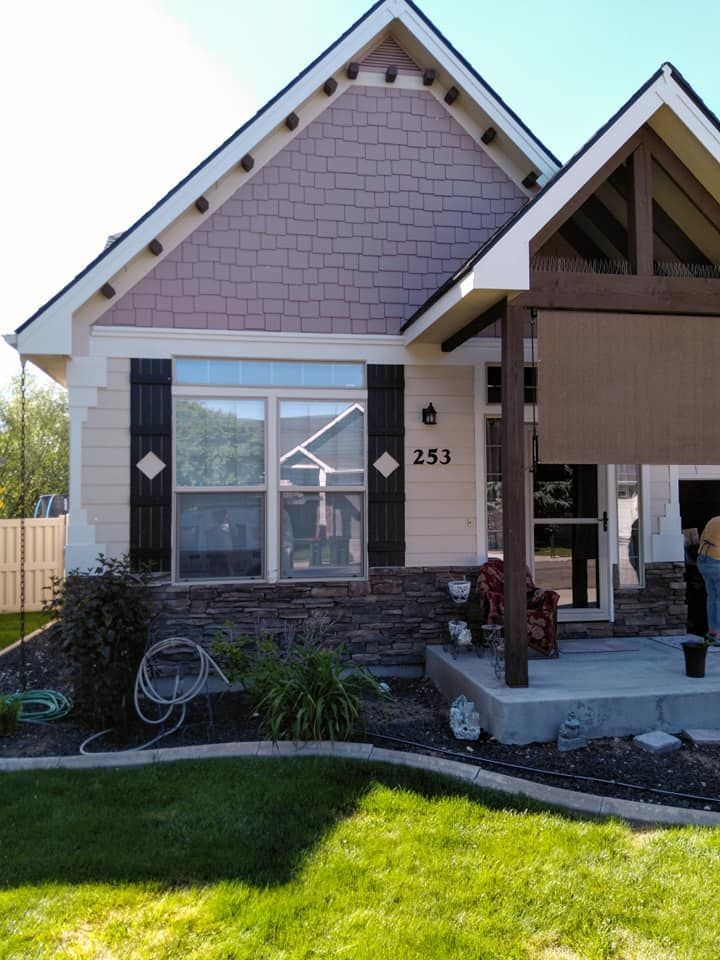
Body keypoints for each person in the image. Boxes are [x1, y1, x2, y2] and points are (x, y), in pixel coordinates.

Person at [696, 516, 720, 642]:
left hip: (703, 561)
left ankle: (713, 632)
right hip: (716, 562)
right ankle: (718, 635)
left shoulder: (713, 520)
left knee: (713, 597)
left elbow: (702, 539)